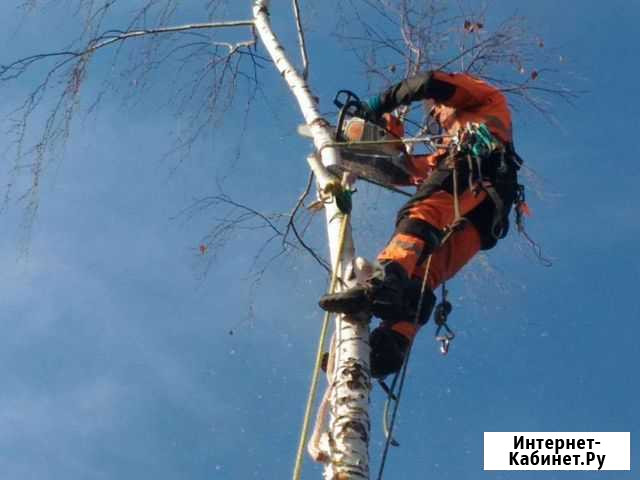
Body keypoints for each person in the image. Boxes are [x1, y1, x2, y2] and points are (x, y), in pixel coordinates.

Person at [319, 70, 522, 378]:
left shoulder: (480, 99)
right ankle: (391, 345)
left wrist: (376, 104)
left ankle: (384, 282)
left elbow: (428, 82)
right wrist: (386, 140)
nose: (437, 113)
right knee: (425, 273)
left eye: (438, 108)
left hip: (478, 167)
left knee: (421, 212)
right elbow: (404, 170)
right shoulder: (448, 145)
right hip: (488, 215)